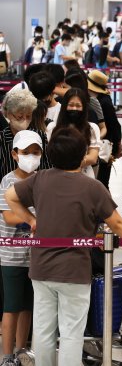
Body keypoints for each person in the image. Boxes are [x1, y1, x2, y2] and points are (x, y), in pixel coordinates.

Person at [5, 127, 122, 366]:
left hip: (41, 269)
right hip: (74, 271)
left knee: (43, 331)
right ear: (82, 155)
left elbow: (10, 197)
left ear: (50, 153)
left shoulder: (40, 179)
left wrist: (31, 220)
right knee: (71, 333)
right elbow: (117, 223)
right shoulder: (91, 187)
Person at [0, 130, 42, 366]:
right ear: (15, 154)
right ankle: (6, 356)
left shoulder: (41, 179)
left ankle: (20, 350)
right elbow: (8, 217)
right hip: (12, 257)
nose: (31, 157)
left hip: (34, 256)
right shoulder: (8, 181)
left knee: (27, 306)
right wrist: (36, 217)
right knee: (11, 307)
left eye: (36, 152)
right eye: (26, 152)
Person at [46, 88, 101, 179]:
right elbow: (49, 154)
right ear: (64, 106)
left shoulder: (92, 128)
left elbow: (93, 157)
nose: (74, 108)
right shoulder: (52, 128)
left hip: (84, 176)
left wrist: (68, 164)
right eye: (70, 105)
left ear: (84, 107)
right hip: (57, 177)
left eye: (78, 105)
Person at [0, 89, 51, 181]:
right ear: (8, 114)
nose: (25, 120)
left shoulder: (39, 135)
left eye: (28, 116)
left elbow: (48, 167)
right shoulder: (1, 139)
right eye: (20, 117)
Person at [87, 70, 122, 189]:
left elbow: (114, 125)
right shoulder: (101, 99)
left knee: (102, 183)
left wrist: (118, 145)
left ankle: (106, 207)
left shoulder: (103, 102)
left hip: (103, 147)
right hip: (99, 145)